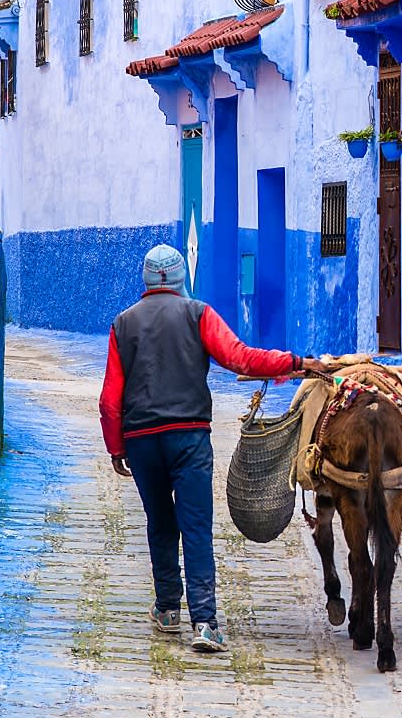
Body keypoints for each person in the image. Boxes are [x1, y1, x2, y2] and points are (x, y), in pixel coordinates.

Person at [99, 244, 325, 652]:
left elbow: (110, 400)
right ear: (182, 277)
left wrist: (116, 446)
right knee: (196, 526)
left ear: (146, 279)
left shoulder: (122, 324)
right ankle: (205, 623)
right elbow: (239, 358)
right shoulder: (198, 314)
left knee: (160, 522)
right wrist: (294, 362)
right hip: (188, 437)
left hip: (142, 442)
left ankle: (167, 609)